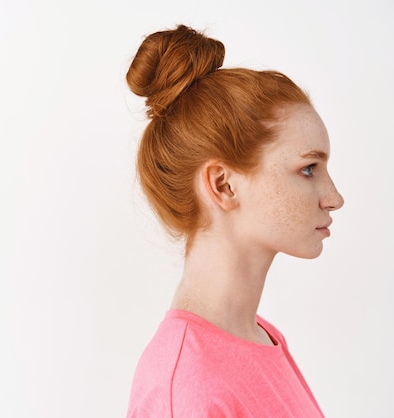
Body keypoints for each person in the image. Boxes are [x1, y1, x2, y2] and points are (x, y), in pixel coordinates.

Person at [125, 24, 344, 417]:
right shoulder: (185, 386)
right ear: (224, 185)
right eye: (309, 169)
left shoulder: (261, 339)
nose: (334, 198)